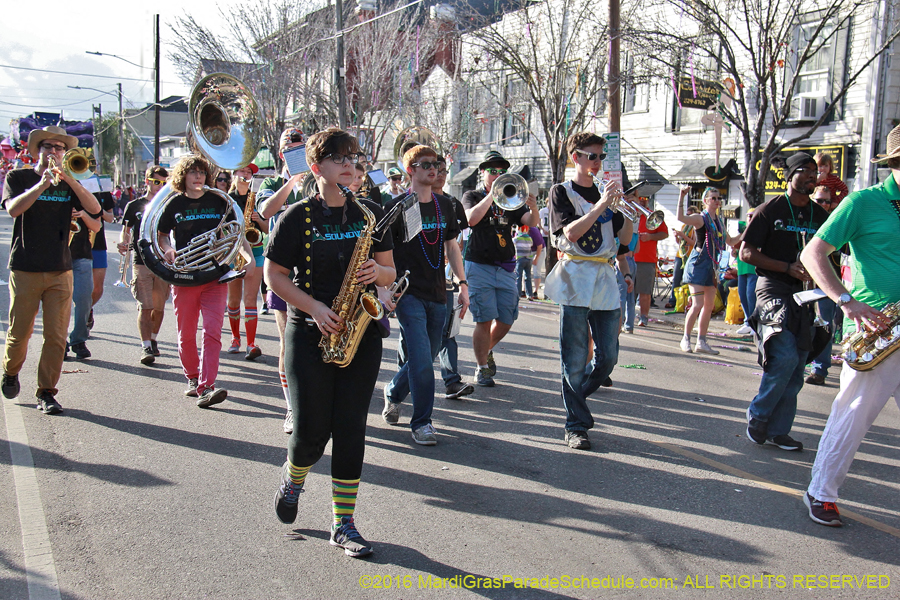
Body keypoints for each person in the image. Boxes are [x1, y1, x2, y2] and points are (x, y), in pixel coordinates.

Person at [266, 127, 396, 557]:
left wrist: (377, 276)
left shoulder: (369, 214)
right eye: (339, 158)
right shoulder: (295, 217)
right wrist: (314, 308)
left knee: (351, 430)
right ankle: (294, 477)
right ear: (317, 167)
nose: (349, 165)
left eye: (353, 157)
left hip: (360, 333)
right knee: (308, 432)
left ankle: (344, 523)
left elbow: (389, 271)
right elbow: (274, 276)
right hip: (310, 332)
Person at [799, 124, 900, 527]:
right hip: (878, 327)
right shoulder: (863, 202)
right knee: (852, 414)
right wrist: (846, 300)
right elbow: (813, 253)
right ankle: (821, 491)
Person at [0, 126, 102, 414]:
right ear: (38, 150)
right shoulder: (17, 177)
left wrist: (68, 178)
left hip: (61, 268)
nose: (54, 152)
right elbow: (13, 210)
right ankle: (10, 371)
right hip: (25, 267)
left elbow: (94, 209)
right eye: (48, 147)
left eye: (59, 148)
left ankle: (46, 392)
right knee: (20, 333)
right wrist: (42, 185)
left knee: (57, 336)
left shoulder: (68, 182)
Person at [544, 132, 632, 450]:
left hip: (605, 276)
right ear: (576, 158)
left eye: (601, 157)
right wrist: (601, 205)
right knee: (575, 357)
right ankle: (576, 424)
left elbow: (624, 237)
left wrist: (627, 209)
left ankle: (576, 396)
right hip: (575, 274)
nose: (598, 162)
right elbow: (571, 231)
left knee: (608, 357)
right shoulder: (561, 192)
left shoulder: (605, 193)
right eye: (592, 156)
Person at [739, 152, 829, 451]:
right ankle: (759, 413)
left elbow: (831, 254)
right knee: (786, 355)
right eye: (804, 170)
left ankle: (779, 431)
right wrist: (786, 267)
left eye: (815, 171)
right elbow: (746, 253)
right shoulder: (770, 209)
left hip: (806, 295)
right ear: (789, 176)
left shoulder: (820, 215)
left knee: (799, 364)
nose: (811, 176)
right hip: (773, 288)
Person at [381, 145, 468, 446]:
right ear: (410, 170)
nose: (433, 169)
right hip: (408, 294)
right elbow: (383, 254)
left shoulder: (446, 205)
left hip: (439, 292)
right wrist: (385, 291)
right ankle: (422, 423)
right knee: (420, 359)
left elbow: (452, 247)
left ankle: (393, 392)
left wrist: (463, 283)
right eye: (425, 164)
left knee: (427, 356)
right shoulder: (397, 207)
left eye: (437, 163)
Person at [155, 155, 255, 408]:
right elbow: (162, 235)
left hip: (215, 274)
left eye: (202, 172)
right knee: (186, 335)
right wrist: (167, 249)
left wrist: (247, 255)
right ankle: (192, 376)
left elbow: (235, 231)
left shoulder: (219, 200)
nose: (198, 176)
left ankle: (206, 386)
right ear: (183, 176)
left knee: (212, 332)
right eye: (193, 172)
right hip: (185, 275)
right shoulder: (174, 203)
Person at [461, 150, 539, 387]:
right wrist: (492, 196)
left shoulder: (512, 197)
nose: (498, 175)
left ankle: (486, 350)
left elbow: (531, 223)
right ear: (482, 172)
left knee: (506, 318)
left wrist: (534, 207)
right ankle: (481, 367)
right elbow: (470, 220)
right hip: (479, 265)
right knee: (484, 320)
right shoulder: (472, 195)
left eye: (502, 172)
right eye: (492, 171)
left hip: (506, 267)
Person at [257, 127, 307, 434]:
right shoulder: (273, 182)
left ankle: (312, 401)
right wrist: (293, 180)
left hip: (316, 269)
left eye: (300, 147)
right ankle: (291, 407)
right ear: (281, 153)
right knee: (288, 341)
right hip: (282, 271)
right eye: (290, 148)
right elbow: (265, 211)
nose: (295, 151)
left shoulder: (317, 181)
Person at [676, 186, 741, 354]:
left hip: (712, 267)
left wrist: (748, 231)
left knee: (709, 305)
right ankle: (686, 338)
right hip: (698, 264)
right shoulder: (700, 218)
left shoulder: (719, 223)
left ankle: (701, 341)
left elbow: (732, 241)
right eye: (713, 198)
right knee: (697, 304)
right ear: (705, 201)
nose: (717, 201)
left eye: (719, 198)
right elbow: (680, 217)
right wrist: (682, 197)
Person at [119, 166, 171, 365]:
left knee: (158, 307)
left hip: (162, 261)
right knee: (145, 306)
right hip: (141, 261)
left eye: (163, 183)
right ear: (147, 181)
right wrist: (123, 243)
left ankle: (154, 338)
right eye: (156, 182)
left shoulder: (168, 204)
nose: (160, 186)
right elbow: (126, 229)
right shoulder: (134, 205)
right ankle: (146, 345)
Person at [432, 157, 474, 400]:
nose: (439, 174)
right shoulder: (411, 201)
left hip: (446, 277)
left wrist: (460, 278)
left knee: (449, 331)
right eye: (434, 169)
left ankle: (451, 381)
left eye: (443, 170)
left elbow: (462, 239)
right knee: (415, 337)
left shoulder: (453, 203)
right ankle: (403, 382)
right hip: (418, 279)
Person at [226, 163, 268, 360]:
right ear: (234, 173)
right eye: (242, 170)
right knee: (233, 299)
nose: (246, 174)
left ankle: (251, 343)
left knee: (250, 299)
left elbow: (267, 228)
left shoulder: (257, 197)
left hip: (256, 248)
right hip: (233, 252)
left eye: (249, 172)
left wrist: (259, 218)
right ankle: (235, 338)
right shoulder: (226, 198)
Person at [805, 186, 840, 386]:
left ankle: (819, 370)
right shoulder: (803, 218)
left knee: (826, 324)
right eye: (820, 201)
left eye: (827, 201)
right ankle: (798, 362)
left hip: (826, 281)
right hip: (801, 281)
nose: (824, 205)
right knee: (800, 323)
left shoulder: (835, 220)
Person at [66, 205, 102, 359]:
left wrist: (82, 214)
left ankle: (79, 340)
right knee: (59, 303)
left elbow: (97, 226)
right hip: (56, 256)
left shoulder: (83, 195)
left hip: (82, 255)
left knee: (84, 299)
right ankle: (59, 342)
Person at [633, 195, 668, 326]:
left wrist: (650, 237)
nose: (642, 200)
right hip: (629, 258)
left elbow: (664, 233)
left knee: (645, 291)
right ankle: (627, 318)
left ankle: (644, 317)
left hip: (647, 259)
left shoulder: (653, 216)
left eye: (645, 197)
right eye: (639, 197)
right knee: (628, 292)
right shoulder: (631, 213)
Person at [87, 189, 116, 332]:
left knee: (97, 288)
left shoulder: (102, 189)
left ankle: (87, 309)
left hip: (97, 243)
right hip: (74, 243)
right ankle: (81, 313)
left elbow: (110, 218)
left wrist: (99, 210)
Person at [667, 206, 698, 309]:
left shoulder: (696, 228)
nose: (687, 217)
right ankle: (673, 300)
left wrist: (683, 236)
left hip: (689, 256)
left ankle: (686, 302)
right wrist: (677, 236)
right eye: (687, 215)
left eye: (689, 215)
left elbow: (694, 243)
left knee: (686, 280)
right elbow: (680, 242)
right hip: (680, 255)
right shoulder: (684, 226)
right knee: (676, 278)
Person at [513, 225, 536, 298]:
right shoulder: (529, 238)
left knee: (518, 276)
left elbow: (512, 242)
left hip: (520, 258)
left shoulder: (517, 238)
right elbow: (531, 245)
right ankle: (529, 294)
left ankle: (518, 294)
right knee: (528, 277)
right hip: (528, 258)